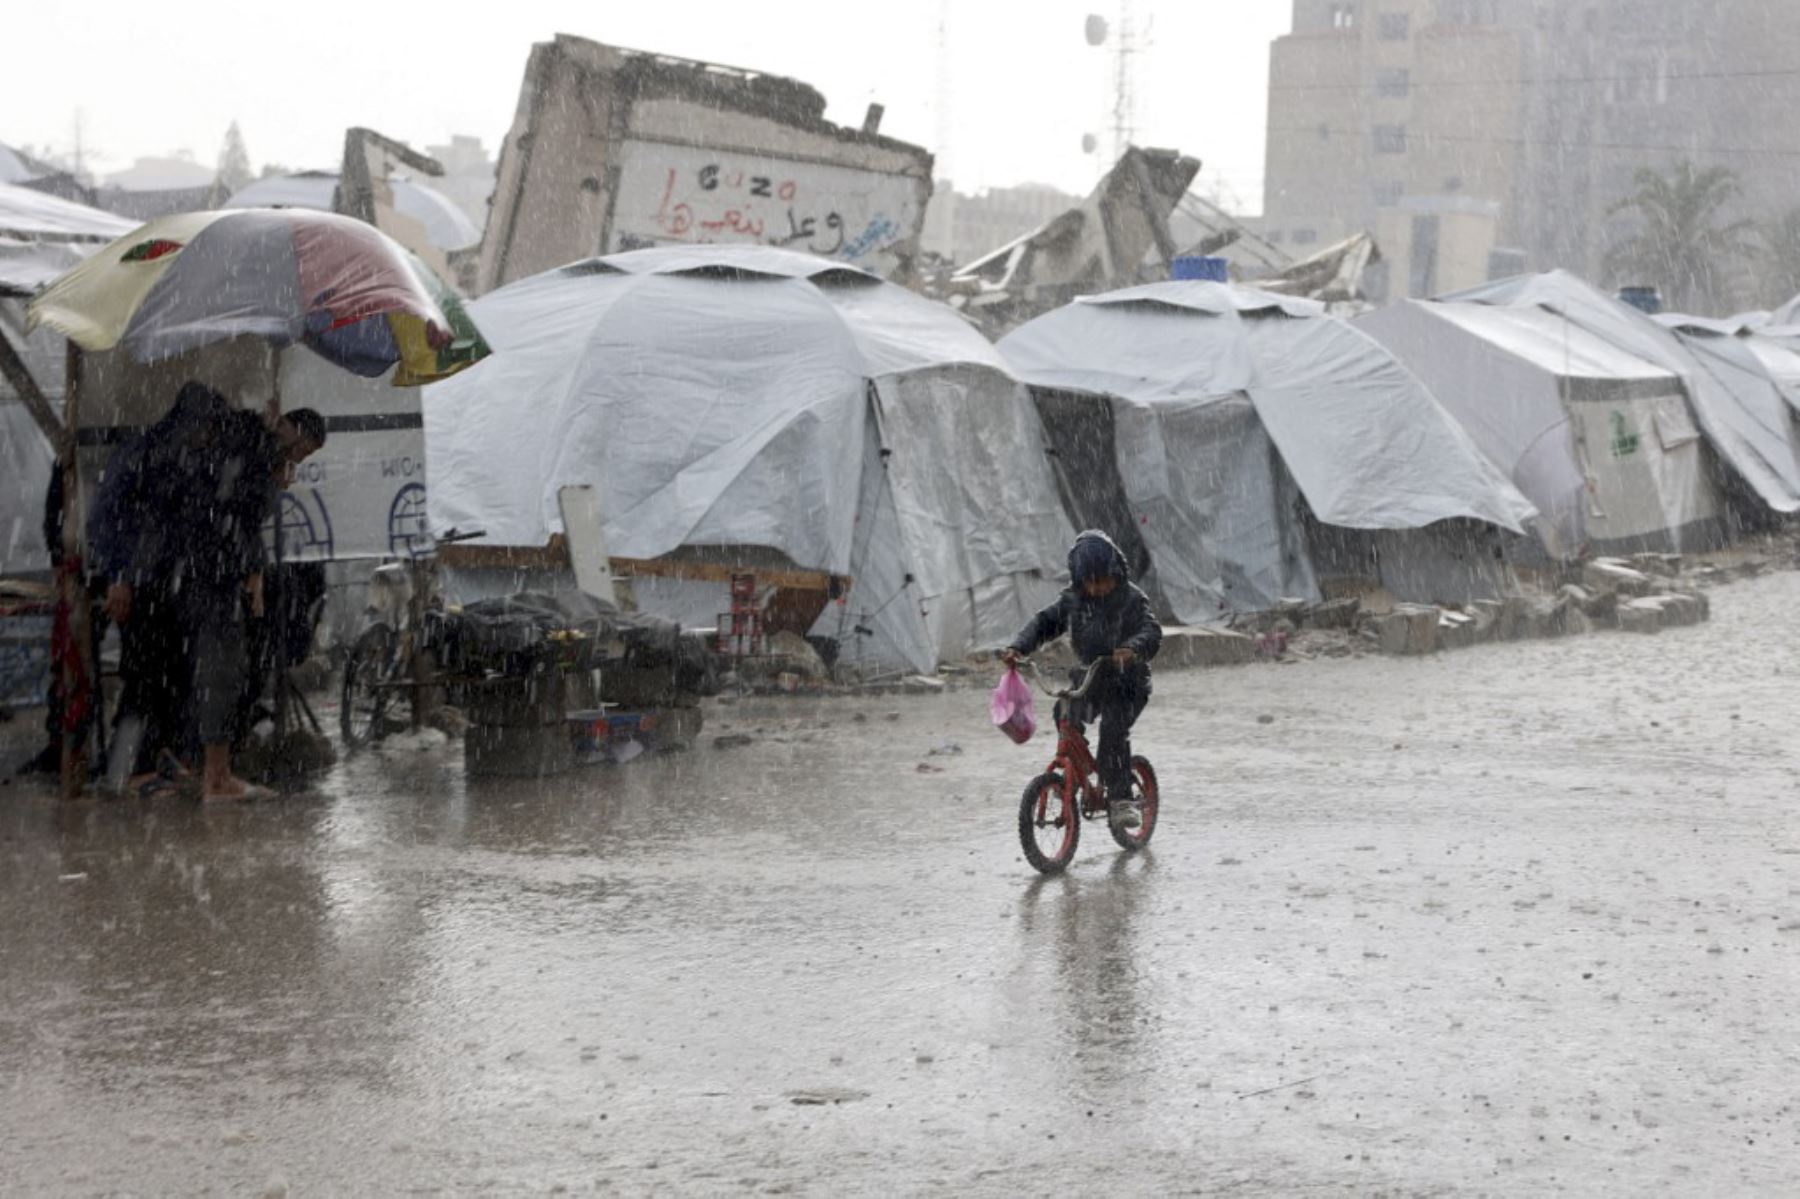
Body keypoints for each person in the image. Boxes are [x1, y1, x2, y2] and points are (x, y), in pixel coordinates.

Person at [1003, 529, 1162, 830]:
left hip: (1128, 682)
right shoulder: (1073, 600)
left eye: (1103, 579)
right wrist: (1019, 646)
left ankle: (1121, 798)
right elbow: (1044, 623)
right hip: (1092, 675)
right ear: (1079, 581)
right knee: (1064, 711)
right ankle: (1076, 771)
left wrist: (1132, 649)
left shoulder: (1131, 600)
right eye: (1090, 581)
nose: (1098, 587)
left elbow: (1151, 631)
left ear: (1116, 573)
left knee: (1113, 729)